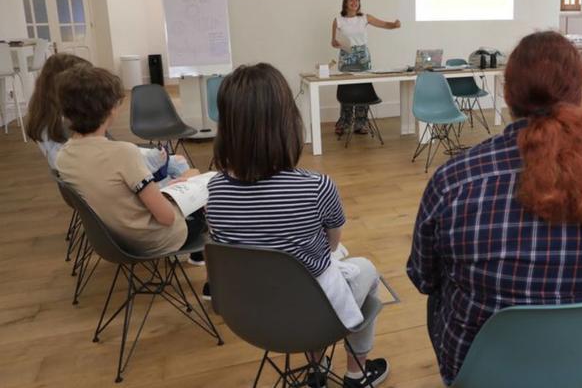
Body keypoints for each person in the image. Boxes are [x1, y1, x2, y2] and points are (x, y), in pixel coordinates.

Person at [406, 31, 582, 386]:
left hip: (482, 372)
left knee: (439, 290)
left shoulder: (456, 181)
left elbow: (423, 276)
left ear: (507, 93)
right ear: (579, 93)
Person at [205, 63, 388, 388]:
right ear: (287, 123)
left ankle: (317, 367)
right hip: (312, 311)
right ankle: (356, 374)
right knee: (366, 271)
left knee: (300, 276)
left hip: (251, 313)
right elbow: (331, 244)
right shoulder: (317, 187)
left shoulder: (216, 192)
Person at [55, 66, 205, 258]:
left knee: (185, 178)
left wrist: (163, 190)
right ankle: (204, 262)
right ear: (111, 110)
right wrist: (173, 195)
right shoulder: (123, 154)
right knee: (200, 184)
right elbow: (166, 218)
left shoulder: (64, 157)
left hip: (113, 241)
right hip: (156, 239)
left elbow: (115, 192)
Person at [26, 53, 191, 185]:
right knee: (181, 167)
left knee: (175, 163)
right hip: (118, 188)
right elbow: (111, 167)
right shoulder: (73, 129)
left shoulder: (49, 125)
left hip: (99, 186)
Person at [331, 0, 400, 135]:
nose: (354, 2)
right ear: (345, 2)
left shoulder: (365, 18)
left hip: (363, 57)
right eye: (351, 0)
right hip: (346, 56)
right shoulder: (338, 20)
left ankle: (360, 124)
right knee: (347, 90)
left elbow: (385, 24)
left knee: (363, 88)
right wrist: (336, 43)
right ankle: (344, 122)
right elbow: (333, 42)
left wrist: (394, 25)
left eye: (357, 0)